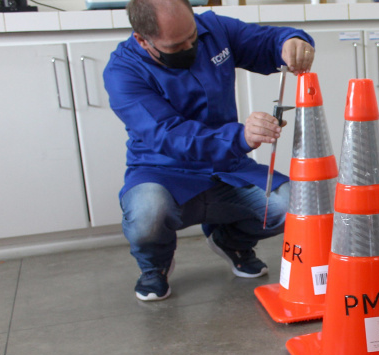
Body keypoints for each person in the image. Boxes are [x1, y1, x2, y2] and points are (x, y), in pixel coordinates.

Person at [103, 0, 315, 301]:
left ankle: (232, 242)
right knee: (148, 214)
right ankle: (155, 266)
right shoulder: (123, 72)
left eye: (193, 36)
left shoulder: (214, 29)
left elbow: (266, 41)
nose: (191, 47)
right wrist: (240, 136)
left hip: (227, 167)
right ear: (142, 40)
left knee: (295, 206)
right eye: (177, 46)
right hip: (161, 171)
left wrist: (291, 42)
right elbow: (168, 134)